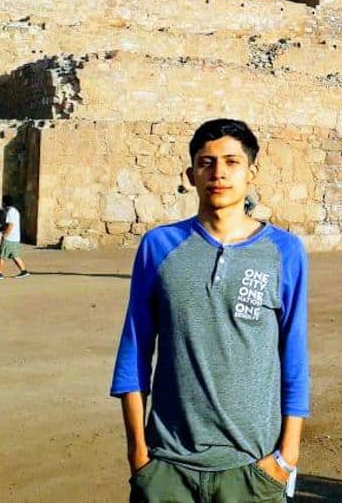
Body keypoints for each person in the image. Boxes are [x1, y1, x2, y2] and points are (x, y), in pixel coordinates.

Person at [111, 118, 309, 503]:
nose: (218, 173)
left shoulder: (284, 252)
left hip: (251, 469)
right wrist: (138, 452)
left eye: (232, 162)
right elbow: (134, 350)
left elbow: (294, 355)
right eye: (206, 162)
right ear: (190, 174)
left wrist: (287, 456)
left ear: (252, 172)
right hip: (168, 467)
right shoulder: (159, 246)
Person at [0, 196, 31, 279]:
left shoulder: (10, 212)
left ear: (4, 203)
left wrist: (5, 235)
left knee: (2, 256)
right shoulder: (15, 211)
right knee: (15, 255)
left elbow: (11, 225)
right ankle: (24, 271)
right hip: (15, 238)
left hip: (10, 238)